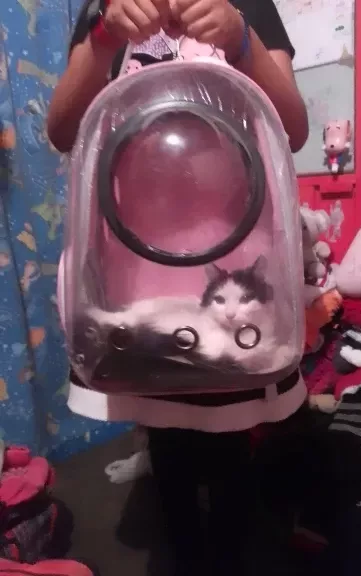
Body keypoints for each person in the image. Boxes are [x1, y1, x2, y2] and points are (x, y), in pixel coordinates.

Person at [48, 1, 308, 575]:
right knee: (165, 430)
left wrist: (242, 39)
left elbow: (293, 128)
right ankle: (188, 557)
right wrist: (103, 37)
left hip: (236, 264)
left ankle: (228, 556)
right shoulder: (105, 8)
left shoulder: (248, 5)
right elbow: (64, 131)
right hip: (139, 271)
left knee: (233, 427)